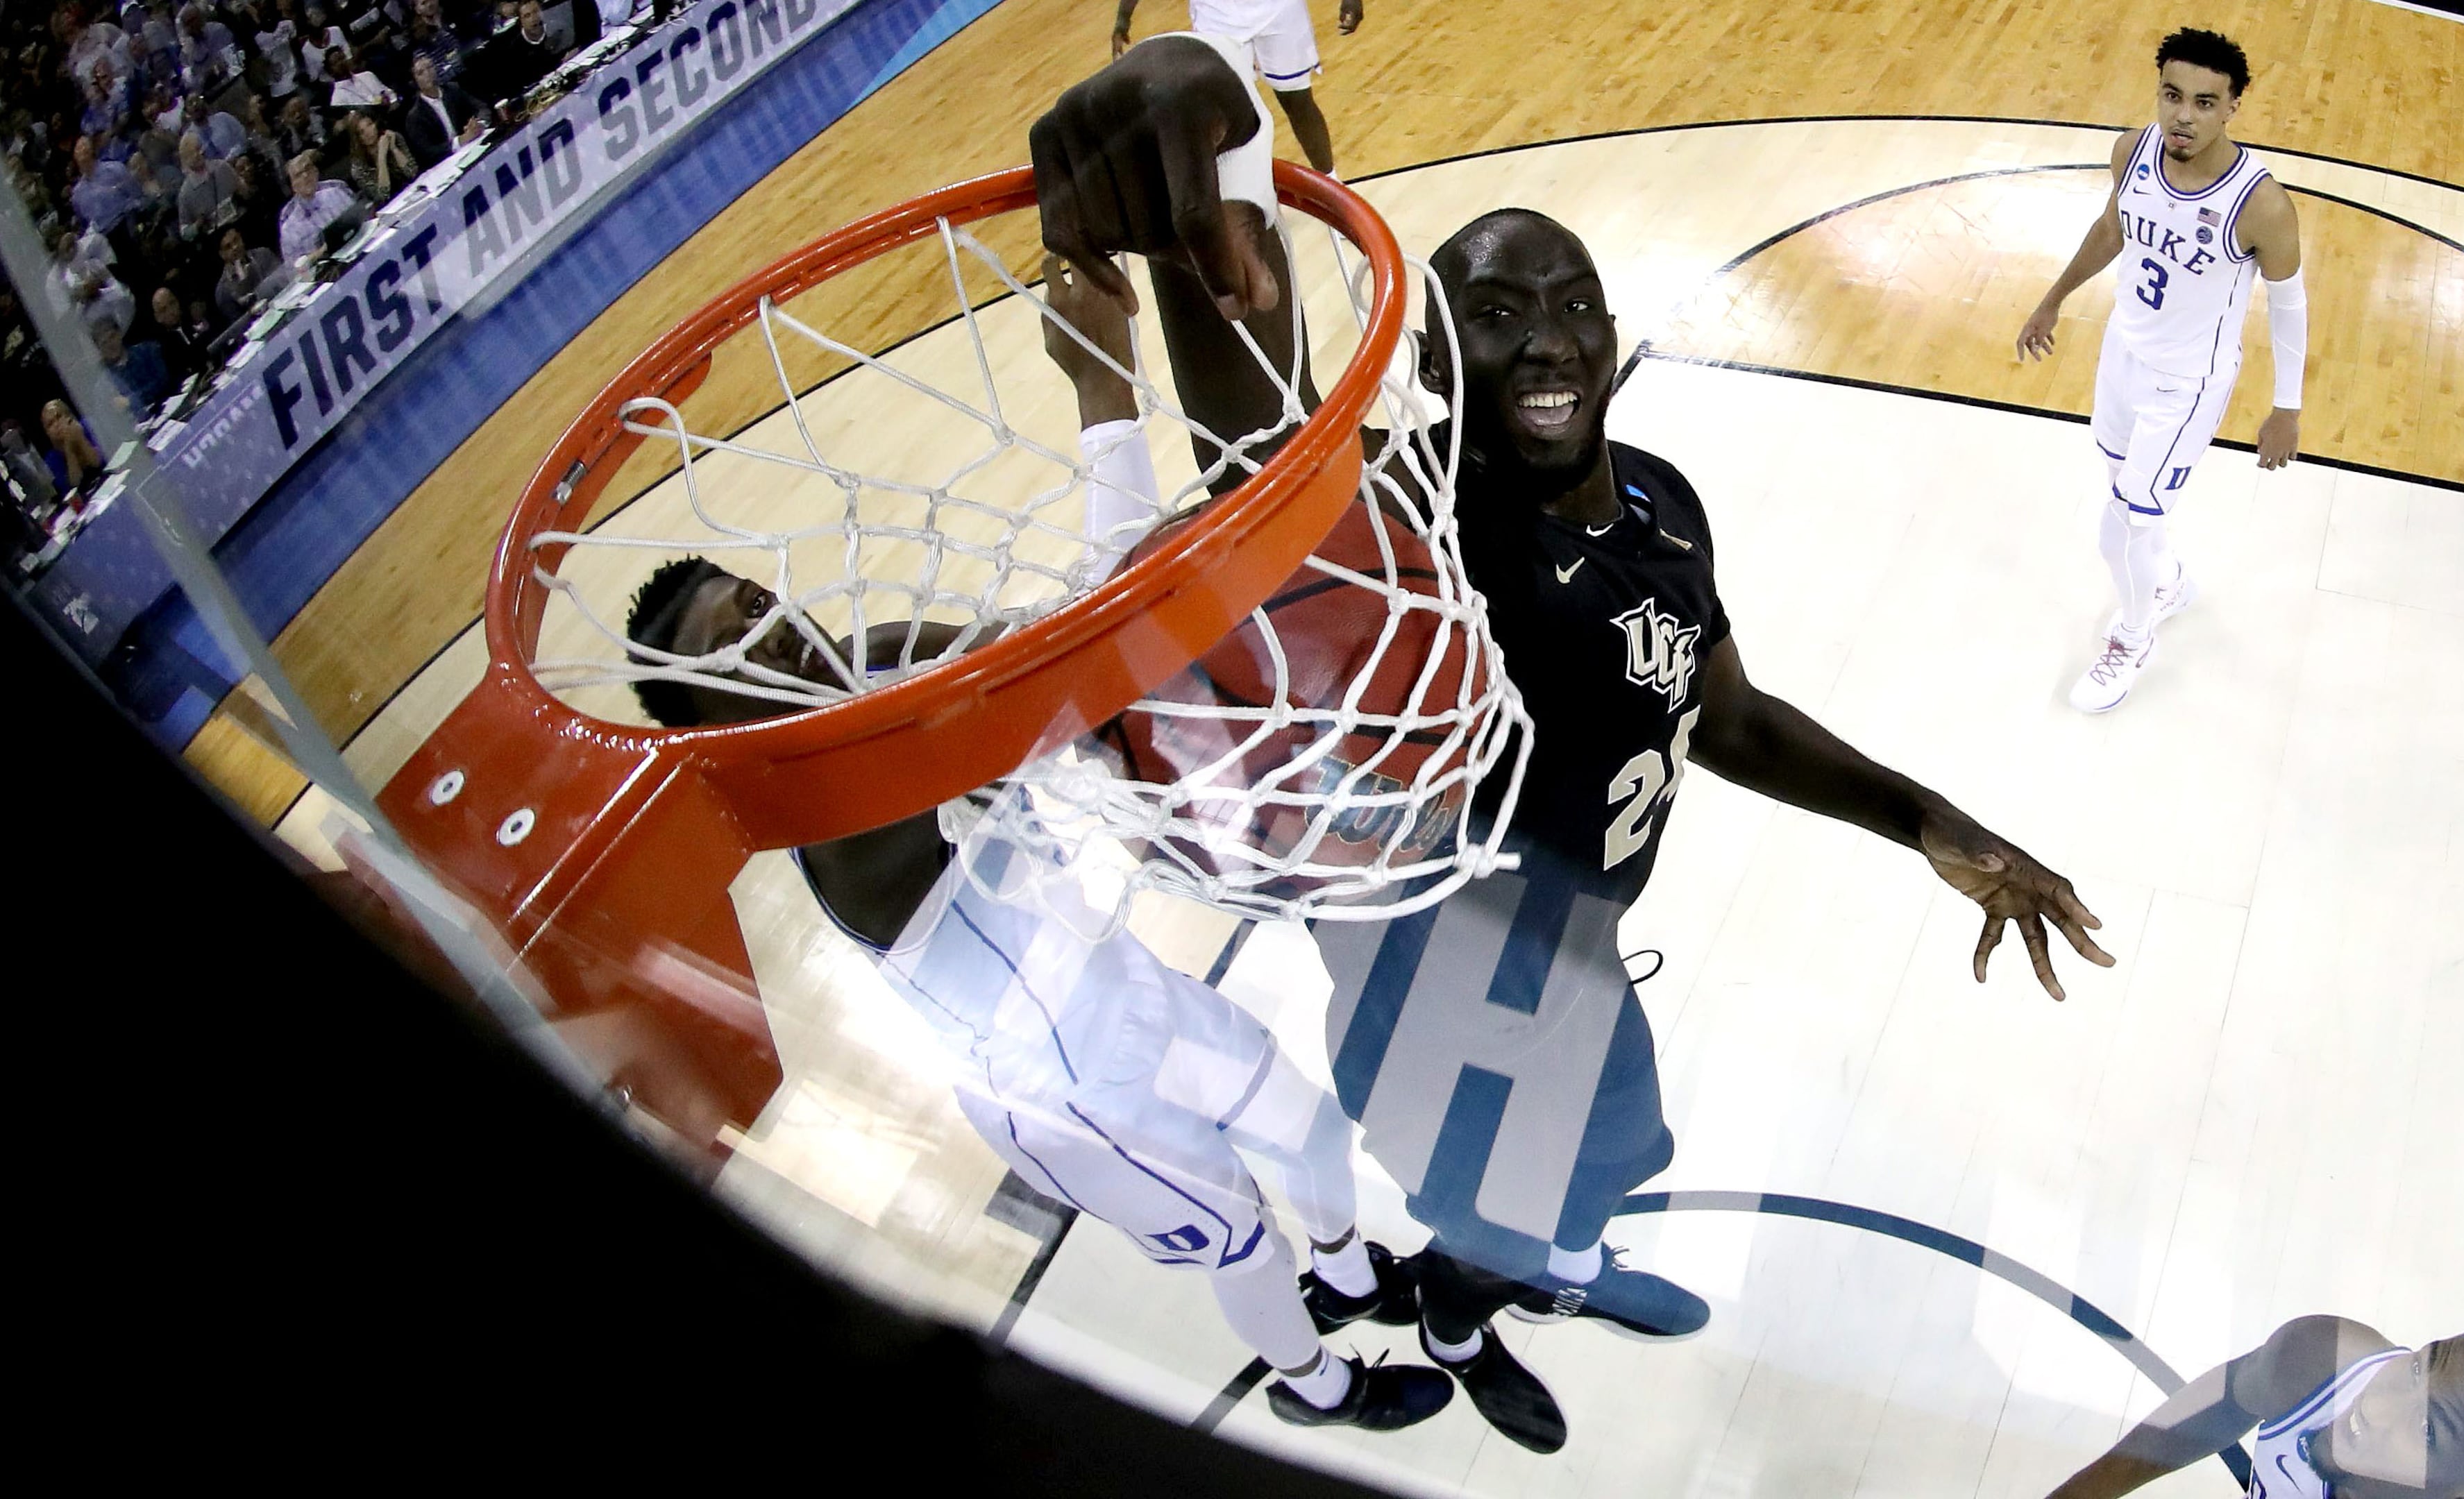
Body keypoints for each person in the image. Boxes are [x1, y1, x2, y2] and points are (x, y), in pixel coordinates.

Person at [1031, 35, 2115, 1455]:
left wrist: (1931, 823)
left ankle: (1555, 1273)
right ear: (1431, 361)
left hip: (1581, 955)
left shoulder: (1660, 501)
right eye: (1493, 313)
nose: (1547, 338)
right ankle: (1459, 1320)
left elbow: (1726, 716)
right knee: (1495, 1211)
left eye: (1572, 304)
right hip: (1438, 987)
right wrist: (1200, 239)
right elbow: (1264, 480)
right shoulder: (1416, 538)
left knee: (1611, 1166)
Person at [612, 262, 1454, 1437]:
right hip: (1061, 1090)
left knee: (1310, 1130)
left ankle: (1354, 1278)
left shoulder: (879, 654)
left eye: (753, 601)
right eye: (730, 647)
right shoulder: (834, 813)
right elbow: (1055, 700)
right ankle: (1319, 1389)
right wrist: (1105, 407)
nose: (772, 629)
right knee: (1238, 1234)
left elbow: (1054, 643)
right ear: (712, 719)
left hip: (1122, 989)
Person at [2014, 28, 2306, 713]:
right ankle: (2167, 582)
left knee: (2121, 525)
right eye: (2172, 96)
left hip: (2187, 386)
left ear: (2233, 106)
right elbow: (2113, 230)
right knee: (2127, 491)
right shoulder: (2133, 150)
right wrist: (2052, 300)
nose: (2183, 115)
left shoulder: (2261, 204)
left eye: (2205, 102)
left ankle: (2134, 636)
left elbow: (2290, 304)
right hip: (2123, 353)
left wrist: (2286, 407)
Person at [2045, 1303, 2464, 1498]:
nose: (2376, 1408)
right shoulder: (2317, 1362)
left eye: (2427, 1432)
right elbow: (2224, 1401)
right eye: (2417, 1368)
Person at [1111, 0, 1358, 176]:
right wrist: (1123, 18)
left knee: (1297, 100)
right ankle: (1250, 201)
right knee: (1228, 110)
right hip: (1217, 12)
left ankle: (1334, 187)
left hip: (1280, 9)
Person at [400, 50, 484, 167]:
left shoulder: (453, 89)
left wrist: (478, 123)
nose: (428, 74)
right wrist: (460, 141)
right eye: (421, 73)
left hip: (472, 147)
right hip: (447, 163)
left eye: (430, 67)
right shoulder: (415, 117)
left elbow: (481, 107)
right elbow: (428, 152)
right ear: (415, 82)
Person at [276, 149, 358, 263]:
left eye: (308, 168)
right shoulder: (289, 229)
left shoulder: (337, 191)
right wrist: (322, 252)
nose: (305, 175)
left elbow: (362, 220)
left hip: (357, 250)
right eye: (298, 175)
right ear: (293, 187)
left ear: (316, 172)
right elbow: (296, 272)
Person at [212, 225, 292, 322]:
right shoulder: (223, 292)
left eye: (236, 240)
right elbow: (241, 326)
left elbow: (286, 280)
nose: (235, 247)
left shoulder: (264, 254)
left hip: (288, 305)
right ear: (222, 254)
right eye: (228, 247)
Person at [340, 107, 418, 202]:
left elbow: (413, 173)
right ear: (358, 138)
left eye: (369, 125)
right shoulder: (358, 167)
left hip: (413, 192)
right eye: (361, 132)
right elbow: (383, 196)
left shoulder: (394, 138)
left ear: (376, 124)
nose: (368, 133)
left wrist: (394, 149)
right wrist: (381, 157)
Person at [40, 400, 108, 496]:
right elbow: (74, 486)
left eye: (59, 417)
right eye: (50, 424)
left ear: (69, 416)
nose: (57, 424)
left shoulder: (88, 425)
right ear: (48, 433)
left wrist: (80, 438)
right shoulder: (51, 460)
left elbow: (99, 462)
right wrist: (68, 447)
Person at [326, 47, 396, 107]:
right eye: (336, 62)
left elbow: (388, 93)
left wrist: (393, 102)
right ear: (330, 71)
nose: (342, 63)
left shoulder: (368, 75)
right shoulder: (337, 99)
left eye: (342, 58)